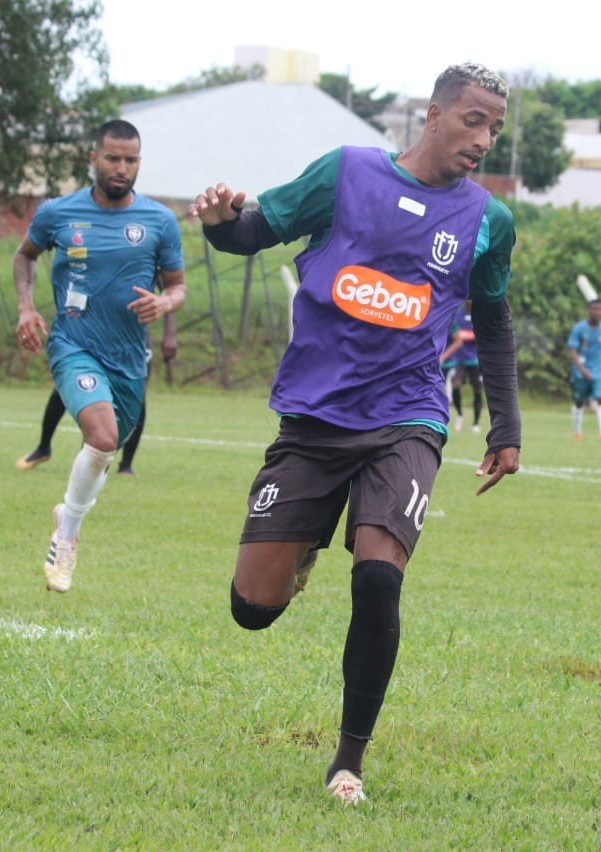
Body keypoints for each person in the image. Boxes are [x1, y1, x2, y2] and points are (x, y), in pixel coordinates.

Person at [190, 63, 521, 805]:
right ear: (433, 115)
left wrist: (507, 424)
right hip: (313, 418)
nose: (484, 139)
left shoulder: (487, 220)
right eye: (474, 120)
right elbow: (251, 232)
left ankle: (348, 761)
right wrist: (217, 222)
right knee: (252, 610)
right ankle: (301, 548)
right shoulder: (344, 174)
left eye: (495, 127)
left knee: (378, 577)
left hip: (407, 417)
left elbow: (493, 322)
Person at [14, 119, 186, 593]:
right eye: (113, 157)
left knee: (105, 447)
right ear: (94, 158)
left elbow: (177, 287)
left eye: (131, 159)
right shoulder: (58, 212)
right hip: (73, 345)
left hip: (129, 358)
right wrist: (26, 308)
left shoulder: (159, 221)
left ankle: (66, 513)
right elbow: (24, 256)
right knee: (103, 434)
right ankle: (67, 537)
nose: (122, 168)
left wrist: (165, 302)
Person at [15, 307, 178, 475]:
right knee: (67, 387)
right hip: (93, 331)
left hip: (132, 339)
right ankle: (43, 448)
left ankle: (126, 466)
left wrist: (170, 333)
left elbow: (170, 287)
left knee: (137, 395)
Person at [567, 298, 601, 440]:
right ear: (588, 310)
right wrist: (581, 369)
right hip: (581, 371)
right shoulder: (579, 329)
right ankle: (577, 433)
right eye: (594, 309)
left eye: (600, 309)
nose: (597, 312)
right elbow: (573, 351)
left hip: (599, 370)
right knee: (579, 402)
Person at [440, 301, 484, 432]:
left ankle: (475, 423)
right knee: (456, 384)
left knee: (477, 388)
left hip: (476, 359)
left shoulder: (481, 313)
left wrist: (466, 335)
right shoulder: (457, 313)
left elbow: (484, 333)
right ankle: (460, 414)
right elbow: (456, 334)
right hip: (459, 359)